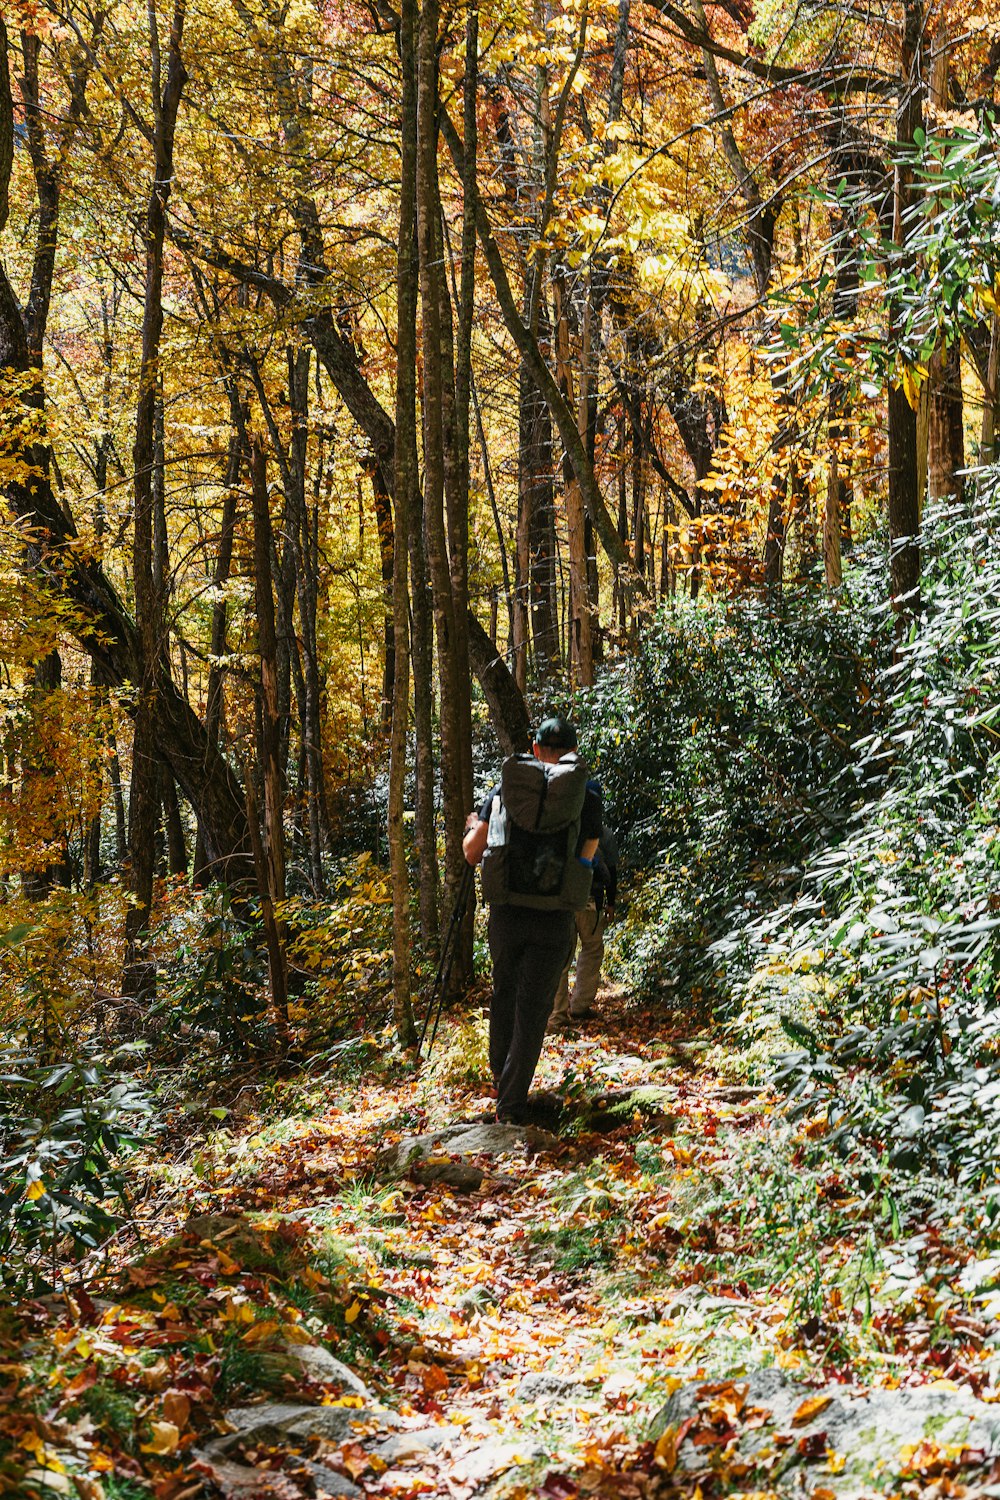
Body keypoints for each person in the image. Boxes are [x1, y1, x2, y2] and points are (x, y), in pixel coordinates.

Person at [463, 717, 601, 1125]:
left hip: (507, 914)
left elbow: (472, 853)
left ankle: (502, 1087)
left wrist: (472, 826)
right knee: (534, 1009)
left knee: (504, 995)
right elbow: (588, 855)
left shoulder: (508, 786)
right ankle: (511, 1103)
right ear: (572, 751)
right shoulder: (585, 792)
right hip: (554, 917)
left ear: (536, 749)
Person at [549, 821, 618, 1032]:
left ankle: (557, 1014)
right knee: (592, 950)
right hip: (591, 903)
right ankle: (579, 1005)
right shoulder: (603, 833)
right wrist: (611, 903)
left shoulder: (562, 828)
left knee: (561, 956)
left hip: (564, 903)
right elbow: (612, 872)